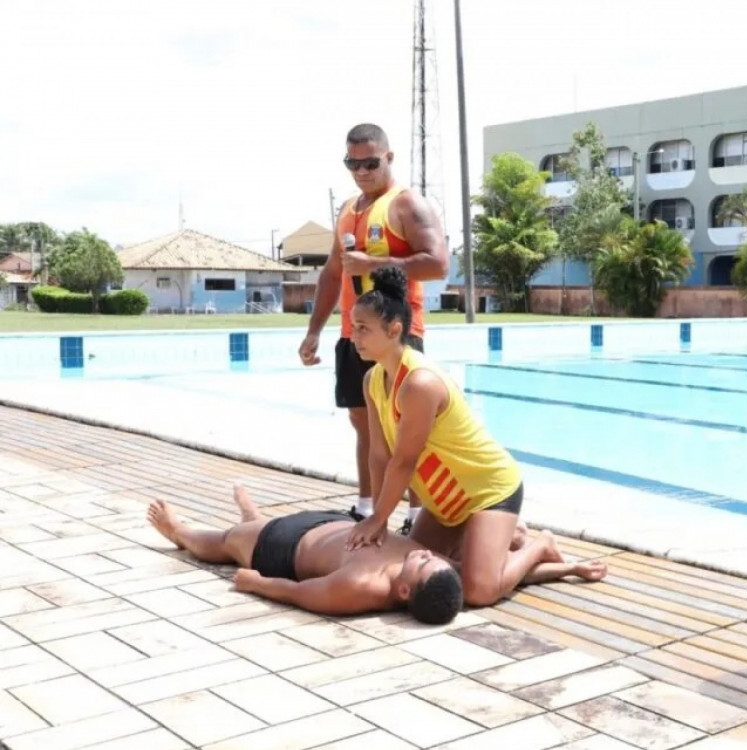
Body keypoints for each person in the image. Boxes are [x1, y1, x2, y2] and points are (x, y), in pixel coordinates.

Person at [343, 266, 608, 607]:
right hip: (445, 505)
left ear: (394, 330)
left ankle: (539, 544)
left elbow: (404, 461)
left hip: (489, 491)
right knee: (425, 571)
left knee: (478, 592)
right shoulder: (373, 380)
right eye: (353, 327)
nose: (354, 336)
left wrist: (380, 520)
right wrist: (375, 521)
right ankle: (521, 550)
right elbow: (379, 456)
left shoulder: (419, 383)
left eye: (363, 328)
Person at [146, 487, 603, 622]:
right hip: (339, 525)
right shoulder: (436, 578)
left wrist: (258, 583)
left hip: (285, 546)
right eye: (435, 559)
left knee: (226, 543)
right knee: (252, 521)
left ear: (403, 590)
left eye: (424, 563)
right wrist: (567, 569)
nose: (428, 554)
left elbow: (302, 593)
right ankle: (253, 510)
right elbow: (506, 577)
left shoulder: (358, 588)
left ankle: (180, 530)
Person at [299, 123, 450, 531]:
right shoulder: (349, 210)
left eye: (370, 162)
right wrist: (314, 330)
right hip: (355, 334)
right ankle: (367, 506)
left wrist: (375, 264)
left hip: (398, 333)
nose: (362, 170)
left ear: (388, 157)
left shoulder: (407, 205)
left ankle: (417, 514)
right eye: (353, 162)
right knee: (362, 422)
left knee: (406, 425)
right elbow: (333, 273)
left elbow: (438, 264)